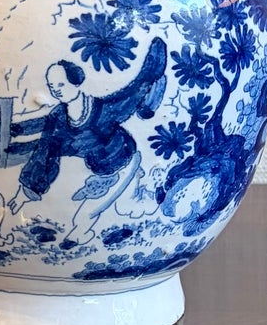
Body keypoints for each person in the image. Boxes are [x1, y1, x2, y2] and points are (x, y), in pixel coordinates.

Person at [11, 38, 167, 245]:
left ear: (75, 80)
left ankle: (81, 236)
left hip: (121, 162)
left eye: (61, 84)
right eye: (51, 85)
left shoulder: (104, 109)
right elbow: (45, 152)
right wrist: (27, 191)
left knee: (91, 211)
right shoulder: (58, 118)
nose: (55, 89)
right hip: (92, 169)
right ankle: (76, 236)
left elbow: (137, 88)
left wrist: (155, 57)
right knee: (76, 201)